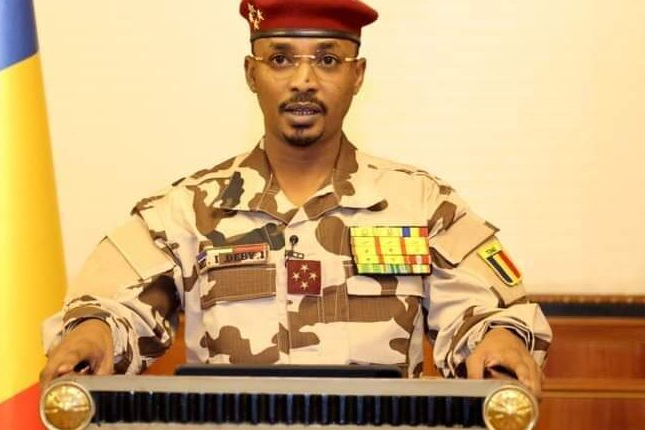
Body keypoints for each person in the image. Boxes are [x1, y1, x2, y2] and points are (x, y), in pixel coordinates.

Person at [40, 0, 552, 397]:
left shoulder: (422, 204)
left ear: (357, 75)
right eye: (281, 59)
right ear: (251, 73)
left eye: (328, 59)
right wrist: (92, 336)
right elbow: (109, 309)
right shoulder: (187, 210)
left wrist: (500, 343)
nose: (304, 81)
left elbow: (488, 314)